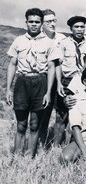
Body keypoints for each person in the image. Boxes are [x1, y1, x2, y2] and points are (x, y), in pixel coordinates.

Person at [6, 8, 59, 157]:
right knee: (21, 124)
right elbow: (12, 64)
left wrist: (48, 92)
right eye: (31, 22)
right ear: (26, 23)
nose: (34, 25)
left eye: (37, 22)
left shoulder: (50, 43)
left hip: (40, 82)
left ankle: (30, 157)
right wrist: (8, 89)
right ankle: (17, 157)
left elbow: (51, 68)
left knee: (35, 124)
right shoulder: (19, 41)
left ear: (41, 23)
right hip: (22, 81)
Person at [55, 15, 86, 146]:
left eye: (82, 27)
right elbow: (58, 65)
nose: (79, 29)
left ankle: (73, 144)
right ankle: (56, 145)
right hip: (67, 80)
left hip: (82, 81)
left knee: (78, 114)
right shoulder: (64, 43)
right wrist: (59, 83)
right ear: (71, 29)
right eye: (76, 27)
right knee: (61, 116)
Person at [39, 9, 66, 147]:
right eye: (48, 21)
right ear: (42, 23)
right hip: (44, 79)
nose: (52, 24)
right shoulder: (39, 38)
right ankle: (41, 144)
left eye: (54, 20)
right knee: (43, 114)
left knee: (61, 114)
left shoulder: (62, 38)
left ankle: (57, 145)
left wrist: (61, 82)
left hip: (61, 80)